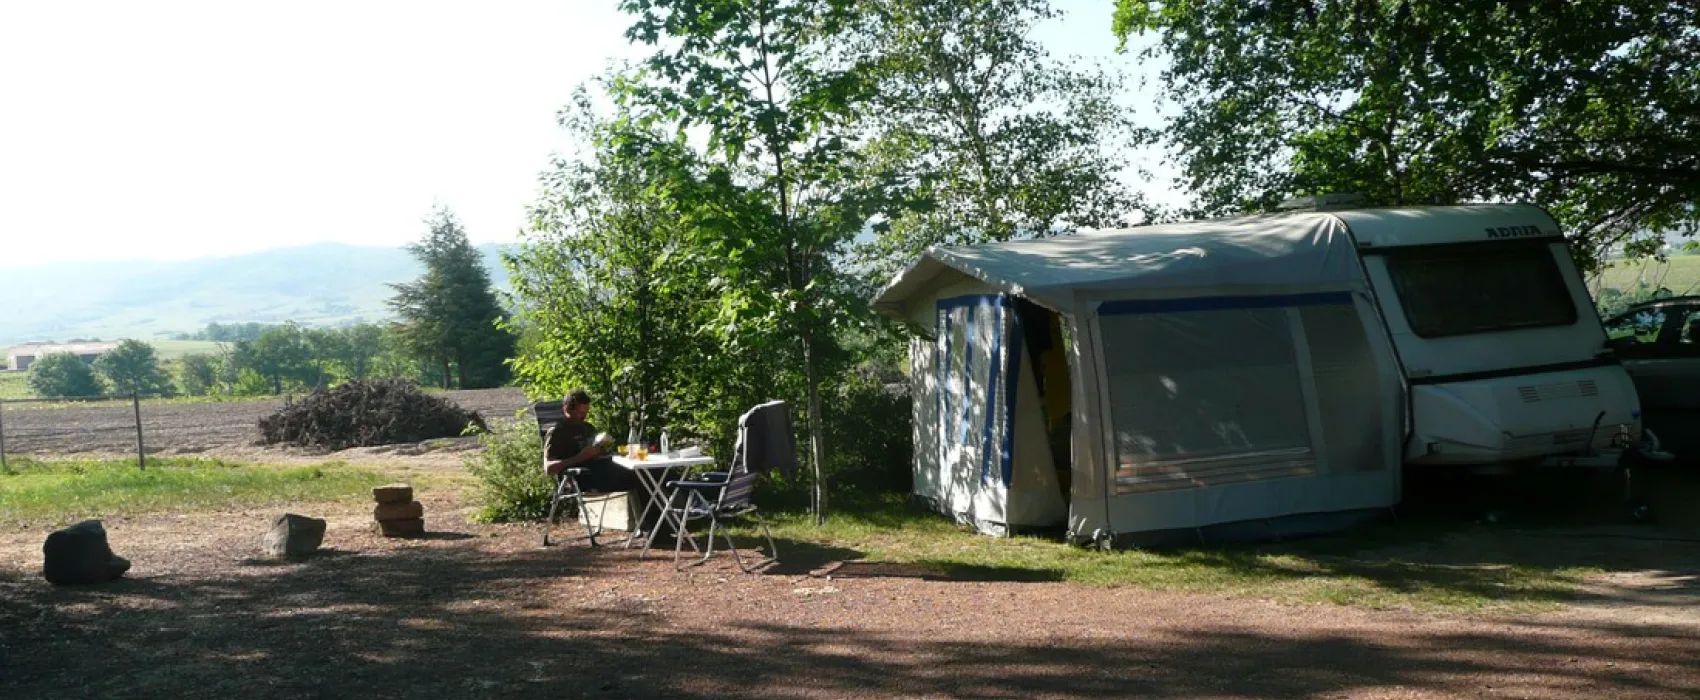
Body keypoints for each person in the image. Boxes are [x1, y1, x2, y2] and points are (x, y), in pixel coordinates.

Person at [543, 389, 638, 494]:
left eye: (586, 413)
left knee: (638, 471)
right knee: (628, 474)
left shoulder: (588, 427)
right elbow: (549, 469)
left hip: (600, 469)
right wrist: (580, 457)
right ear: (567, 409)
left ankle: (649, 508)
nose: (583, 417)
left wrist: (601, 450)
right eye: (580, 413)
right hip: (579, 476)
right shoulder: (557, 432)